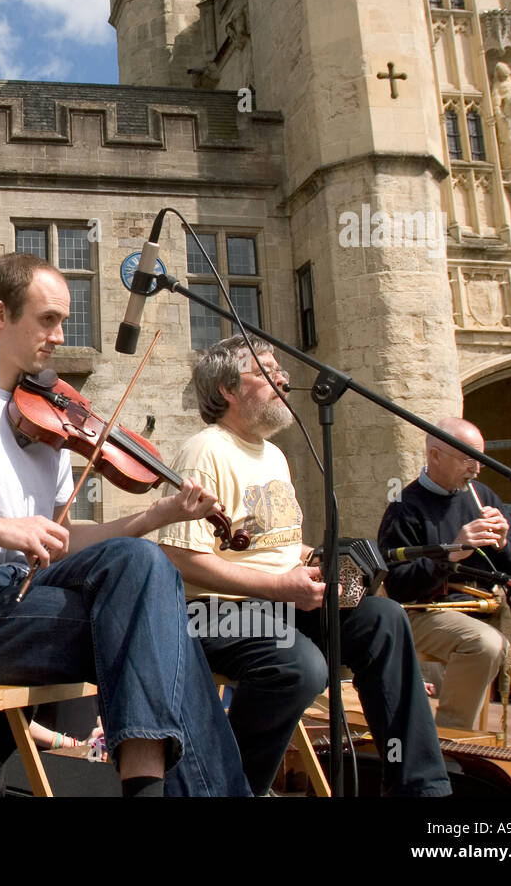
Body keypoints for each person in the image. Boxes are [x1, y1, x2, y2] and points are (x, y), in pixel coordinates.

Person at [0, 253, 250, 797]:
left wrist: (159, 514)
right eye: (47, 319)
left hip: (19, 597)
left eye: (63, 321)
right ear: (0, 314)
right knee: (158, 627)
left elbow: (61, 541)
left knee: (143, 570)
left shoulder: (48, 420)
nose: (59, 336)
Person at [159, 336, 450, 796]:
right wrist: (279, 586)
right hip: (215, 612)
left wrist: (328, 564)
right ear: (229, 389)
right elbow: (179, 558)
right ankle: (226, 788)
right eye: (267, 370)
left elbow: (278, 546)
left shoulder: (274, 455)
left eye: (280, 369)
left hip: (278, 603)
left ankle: (421, 789)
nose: (283, 377)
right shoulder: (205, 450)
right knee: (300, 666)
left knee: (384, 619)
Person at [378, 417, 511, 736]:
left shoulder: (483, 495)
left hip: (493, 609)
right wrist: (452, 553)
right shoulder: (404, 507)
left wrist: (506, 543)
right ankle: (453, 740)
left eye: (481, 459)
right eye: (469, 459)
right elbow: (397, 585)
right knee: (484, 644)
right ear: (435, 455)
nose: (477, 469)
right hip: (429, 612)